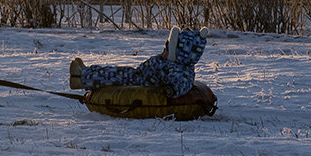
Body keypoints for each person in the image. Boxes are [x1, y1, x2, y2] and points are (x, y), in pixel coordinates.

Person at [69, 26, 207, 98]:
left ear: (177, 54)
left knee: (111, 76)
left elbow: (183, 83)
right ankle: (85, 72)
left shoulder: (179, 70)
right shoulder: (176, 65)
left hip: (138, 82)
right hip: (138, 75)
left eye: (166, 49)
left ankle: (80, 79)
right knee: (113, 70)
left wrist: (171, 90)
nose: (163, 52)